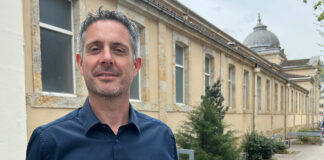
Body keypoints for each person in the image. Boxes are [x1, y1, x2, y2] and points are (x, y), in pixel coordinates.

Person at [27, 8, 178, 160]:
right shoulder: (47, 143)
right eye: (95, 49)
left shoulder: (162, 138)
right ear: (80, 64)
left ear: (136, 66)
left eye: (118, 50)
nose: (106, 58)